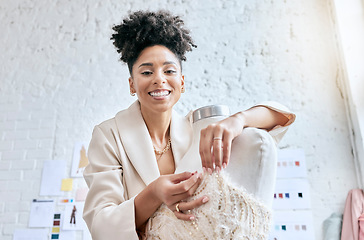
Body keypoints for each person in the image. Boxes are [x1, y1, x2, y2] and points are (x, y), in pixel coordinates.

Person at [83, 10, 295, 240]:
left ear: (181, 83)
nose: (159, 79)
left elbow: (279, 117)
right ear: (132, 84)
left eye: (169, 70)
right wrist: (154, 193)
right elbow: (101, 226)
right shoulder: (108, 135)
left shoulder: (199, 126)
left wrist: (238, 120)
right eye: (146, 72)